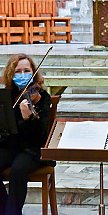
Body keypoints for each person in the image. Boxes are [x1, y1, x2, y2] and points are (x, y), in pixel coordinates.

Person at [0, 54, 51, 215]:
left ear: (33, 73)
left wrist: (28, 118)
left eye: (26, 71)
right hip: (11, 146)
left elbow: (40, 135)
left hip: (33, 149)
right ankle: (4, 208)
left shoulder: (41, 97)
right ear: (11, 74)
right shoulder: (6, 96)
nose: (22, 75)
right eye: (18, 71)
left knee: (18, 169)